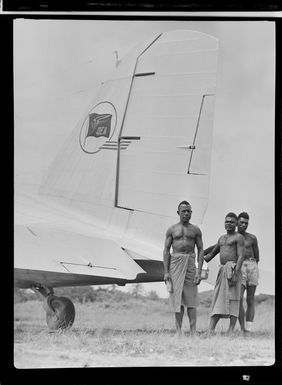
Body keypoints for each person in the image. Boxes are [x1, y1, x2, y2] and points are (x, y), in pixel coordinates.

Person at [163, 200, 204, 337]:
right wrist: (166, 272)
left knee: (192, 300)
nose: (186, 213)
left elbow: (201, 249)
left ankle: (193, 332)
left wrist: (199, 272)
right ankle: (178, 331)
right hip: (175, 263)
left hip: (190, 262)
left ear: (191, 213)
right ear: (178, 212)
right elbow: (166, 250)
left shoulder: (195, 230)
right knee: (177, 299)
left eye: (188, 211)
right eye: (183, 211)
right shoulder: (172, 229)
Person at [204, 213, 245, 334]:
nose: (229, 224)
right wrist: (197, 258)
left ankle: (231, 330)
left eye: (232, 222)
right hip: (222, 271)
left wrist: (235, 274)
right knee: (218, 299)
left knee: (234, 300)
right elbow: (211, 254)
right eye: (227, 221)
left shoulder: (238, 238)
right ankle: (210, 330)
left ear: (236, 224)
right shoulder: (221, 238)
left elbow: (241, 256)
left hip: (233, 270)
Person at [237, 212, 259, 333]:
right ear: (237, 223)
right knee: (239, 298)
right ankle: (242, 328)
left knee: (250, 299)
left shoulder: (252, 238)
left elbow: (257, 255)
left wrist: (252, 266)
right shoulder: (233, 237)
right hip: (240, 266)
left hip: (252, 265)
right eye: (241, 223)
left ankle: (249, 329)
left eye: (246, 223)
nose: (244, 225)